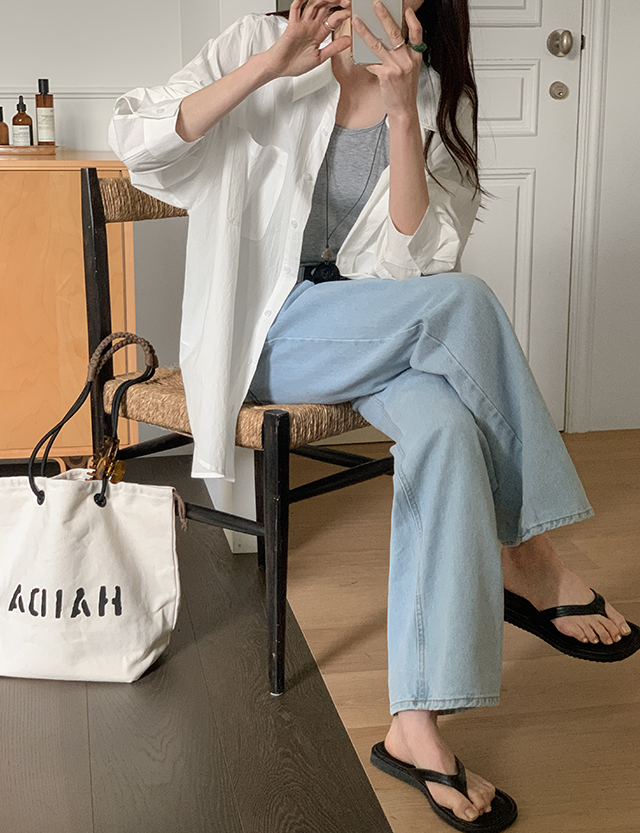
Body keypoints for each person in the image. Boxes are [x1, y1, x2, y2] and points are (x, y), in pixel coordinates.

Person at [109, 1, 640, 829]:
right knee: (465, 307)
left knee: (448, 430)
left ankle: (414, 726)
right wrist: (268, 67)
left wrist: (400, 117)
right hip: (270, 337)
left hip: (379, 326)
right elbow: (137, 142)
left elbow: (421, 262)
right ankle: (528, 553)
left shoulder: (431, 92)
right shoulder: (259, 42)